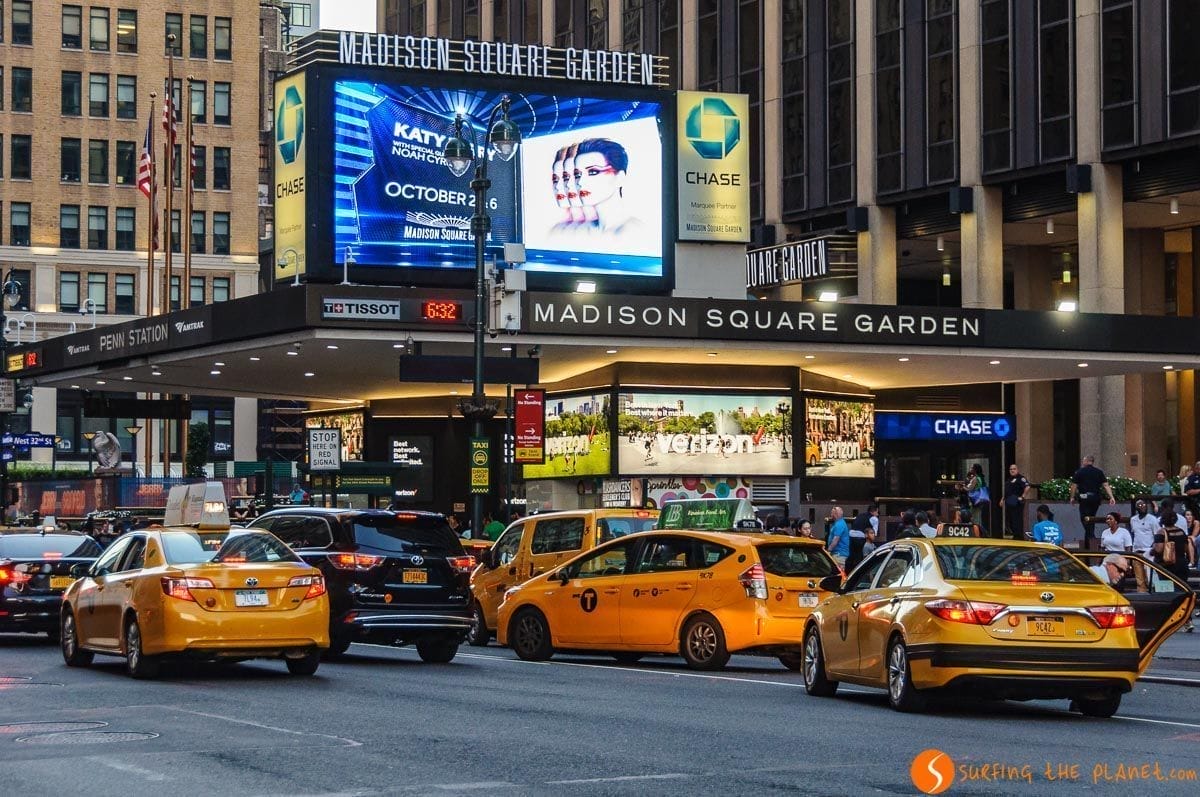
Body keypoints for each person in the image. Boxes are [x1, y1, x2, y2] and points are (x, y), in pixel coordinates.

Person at [572, 138, 643, 236]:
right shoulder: (581, 231)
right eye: (577, 175)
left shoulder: (634, 232)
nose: (580, 182)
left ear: (619, 178)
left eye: (593, 172)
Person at [1152, 513, 1195, 631]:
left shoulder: (1161, 532)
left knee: (1167, 594)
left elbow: (1159, 549)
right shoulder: (1181, 532)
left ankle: (1167, 621)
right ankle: (1188, 620)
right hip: (1182, 565)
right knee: (1182, 593)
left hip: (1167, 566)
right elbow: (1187, 548)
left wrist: (1153, 551)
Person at [1069, 455, 1116, 547]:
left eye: (1083, 460)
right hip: (1095, 498)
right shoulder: (1099, 472)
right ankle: (1089, 540)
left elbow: (1074, 486)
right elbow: (1106, 485)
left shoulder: (1080, 472)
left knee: (1084, 518)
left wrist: (1072, 497)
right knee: (1091, 518)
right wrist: (1111, 497)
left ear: (1086, 461)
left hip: (1084, 498)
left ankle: (1091, 537)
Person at [1004, 463, 1032, 540]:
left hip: (1017, 503)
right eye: (1011, 469)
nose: (1012, 470)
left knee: (1017, 520)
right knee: (1010, 519)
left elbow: (1027, 486)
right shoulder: (1009, 479)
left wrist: (1023, 496)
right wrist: (1002, 499)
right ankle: (1014, 534)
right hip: (1009, 502)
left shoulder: (1021, 478)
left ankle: (1018, 536)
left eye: (1014, 469)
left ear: (1017, 470)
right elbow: (1007, 491)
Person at [963, 464, 991, 536]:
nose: (970, 469)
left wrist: (963, 487)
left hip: (976, 500)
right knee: (980, 517)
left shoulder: (975, 478)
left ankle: (978, 533)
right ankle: (982, 532)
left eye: (972, 468)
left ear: (975, 470)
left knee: (975, 517)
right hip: (981, 500)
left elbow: (970, 489)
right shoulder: (981, 478)